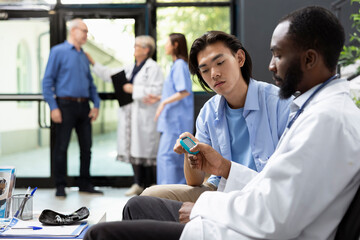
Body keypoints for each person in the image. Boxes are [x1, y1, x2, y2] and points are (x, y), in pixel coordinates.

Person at [83, 6, 360, 240]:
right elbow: (269, 189)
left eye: (277, 55)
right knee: (137, 205)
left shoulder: (321, 119)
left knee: (100, 234)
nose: (272, 65)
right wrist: (217, 169)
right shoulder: (317, 111)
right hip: (238, 206)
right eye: (204, 70)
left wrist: (208, 206)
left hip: (242, 227)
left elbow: (275, 214)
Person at [141, 30, 292, 202]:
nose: (214, 74)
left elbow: (290, 178)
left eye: (220, 62)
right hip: (220, 190)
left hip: (266, 193)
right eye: (204, 70)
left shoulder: (280, 104)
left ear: (240, 58)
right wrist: (190, 153)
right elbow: (195, 181)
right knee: (148, 198)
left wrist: (223, 168)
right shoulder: (208, 112)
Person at [87, 35, 164, 196]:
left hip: (145, 115)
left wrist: (133, 89)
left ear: (146, 49)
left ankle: (151, 186)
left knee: (147, 151)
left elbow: (157, 91)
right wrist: (93, 63)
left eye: (137, 46)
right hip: (130, 114)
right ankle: (138, 183)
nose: (134, 49)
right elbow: (110, 75)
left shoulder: (153, 68)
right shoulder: (130, 67)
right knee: (133, 150)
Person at [42, 18, 102, 197]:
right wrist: (53, 107)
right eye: (84, 31)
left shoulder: (84, 56)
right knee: (61, 147)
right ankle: (60, 186)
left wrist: (96, 105)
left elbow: (91, 84)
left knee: (87, 148)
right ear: (73, 31)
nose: (86, 35)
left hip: (84, 107)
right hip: (64, 105)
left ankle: (85, 183)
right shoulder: (58, 52)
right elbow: (47, 82)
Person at [152, 33, 194, 185]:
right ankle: (172, 192)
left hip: (176, 121)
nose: (165, 46)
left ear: (175, 45)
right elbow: (174, 91)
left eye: (167, 42)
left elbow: (184, 91)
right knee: (172, 158)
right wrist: (158, 99)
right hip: (173, 121)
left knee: (167, 157)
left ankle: (167, 195)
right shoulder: (176, 65)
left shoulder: (180, 65)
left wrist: (163, 104)